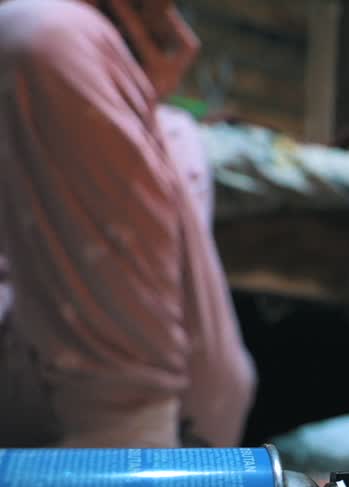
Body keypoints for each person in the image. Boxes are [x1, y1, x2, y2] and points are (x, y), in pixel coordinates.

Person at [0, 0, 255, 447]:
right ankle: (124, 452)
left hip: (185, 412)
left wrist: (131, 78)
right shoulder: (45, 32)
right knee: (46, 33)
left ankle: (140, 443)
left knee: (175, 134)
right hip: (85, 416)